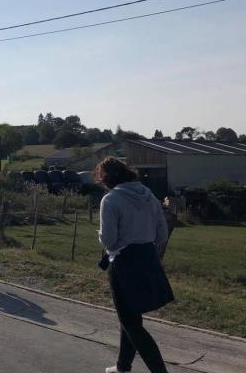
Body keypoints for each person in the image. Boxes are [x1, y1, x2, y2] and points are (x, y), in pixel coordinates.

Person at [96, 157, 173, 373]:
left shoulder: (110, 200)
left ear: (106, 178)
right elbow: (162, 234)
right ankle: (123, 367)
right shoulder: (149, 196)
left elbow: (109, 240)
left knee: (131, 323)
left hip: (123, 262)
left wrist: (100, 236)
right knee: (130, 318)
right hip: (148, 257)